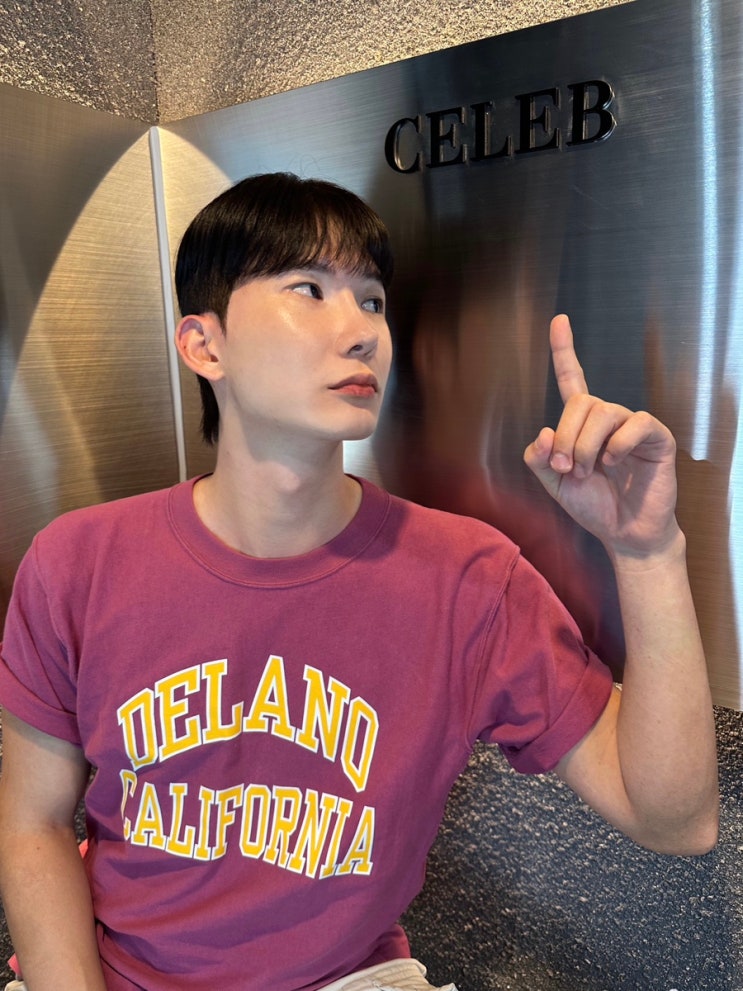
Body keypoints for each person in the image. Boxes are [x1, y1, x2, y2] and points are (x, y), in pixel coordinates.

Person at [0, 172, 718, 991]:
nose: (361, 332)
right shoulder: (77, 564)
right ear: (204, 345)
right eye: (308, 289)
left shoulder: (467, 579)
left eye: (371, 300)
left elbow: (676, 819)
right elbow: (34, 823)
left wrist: (647, 551)